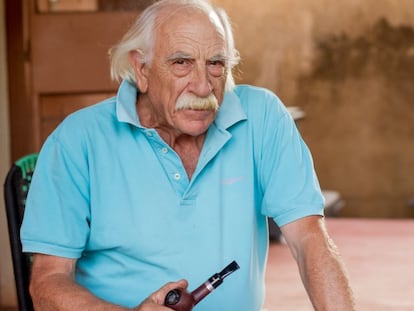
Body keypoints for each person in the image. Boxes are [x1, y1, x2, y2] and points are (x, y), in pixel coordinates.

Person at [20, 0, 355, 310]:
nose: (203, 86)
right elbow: (47, 283)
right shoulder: (78, 139)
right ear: (142, 69)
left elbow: (309, 239)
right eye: (181, 63)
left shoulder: (263, 116)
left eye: (215, 64)